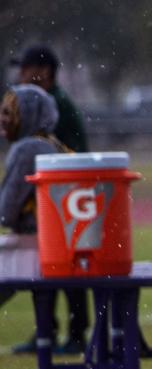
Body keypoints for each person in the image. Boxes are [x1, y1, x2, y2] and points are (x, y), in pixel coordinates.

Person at [10, 45, 90, 355]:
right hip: (59, 195)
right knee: (48, 267)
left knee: (69, 268)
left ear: (43, 72)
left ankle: (74, 333)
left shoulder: (48, 104)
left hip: (67, 195)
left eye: (26, 68)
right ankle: (48, 331)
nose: (21, 76)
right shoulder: (49, 101)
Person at [0, 86, 64, 335]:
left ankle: (45, 336)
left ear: (27, 113)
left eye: (8, 112)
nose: (3, 118)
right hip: (56, 244)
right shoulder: (52, 143)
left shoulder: (27, 149)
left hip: (34, 245)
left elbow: (6, 212)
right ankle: (45, 336)